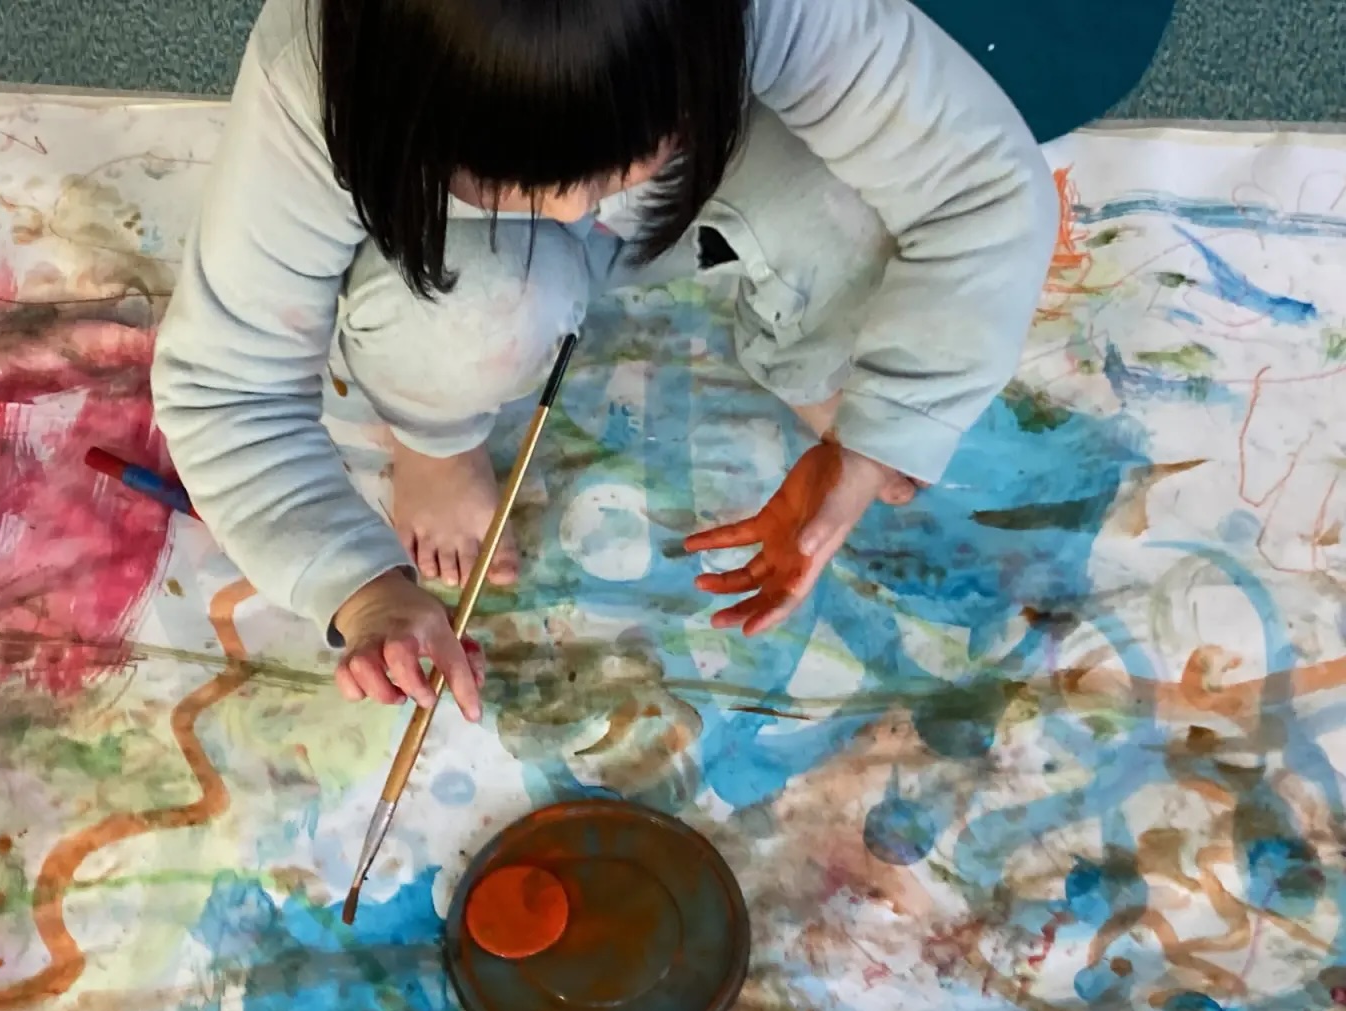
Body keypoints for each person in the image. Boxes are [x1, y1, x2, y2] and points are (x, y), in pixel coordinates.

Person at [151, 0, 1059, 726]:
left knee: (870, 218)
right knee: (468, 323)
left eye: (618, 162)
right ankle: (433, 440)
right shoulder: (313, 73)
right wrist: (361, 590)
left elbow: (979, 184)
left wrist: (877, 437)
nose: (574, 209)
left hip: (702, 198)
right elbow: (225, 387)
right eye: (506, 180)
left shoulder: (768, 10)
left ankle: (807, 353)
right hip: (469, 266)